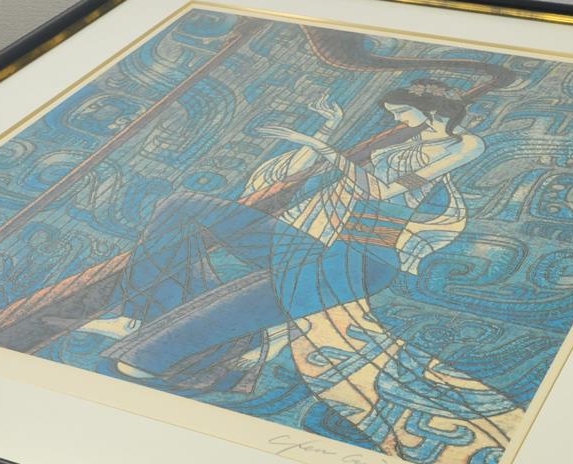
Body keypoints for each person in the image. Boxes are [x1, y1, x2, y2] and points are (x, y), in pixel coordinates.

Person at [86, 79, 486, 386]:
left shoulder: (466, 145)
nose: (398, 121)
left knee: (146, 358)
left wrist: (322, 149)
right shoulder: (404, 141)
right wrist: (327, 129)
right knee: (182, 205)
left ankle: (176, 354)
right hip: (315, 242)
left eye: (402, 113)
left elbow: (381, 191)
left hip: (361, 257)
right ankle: (134, 315)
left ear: (428, 110)